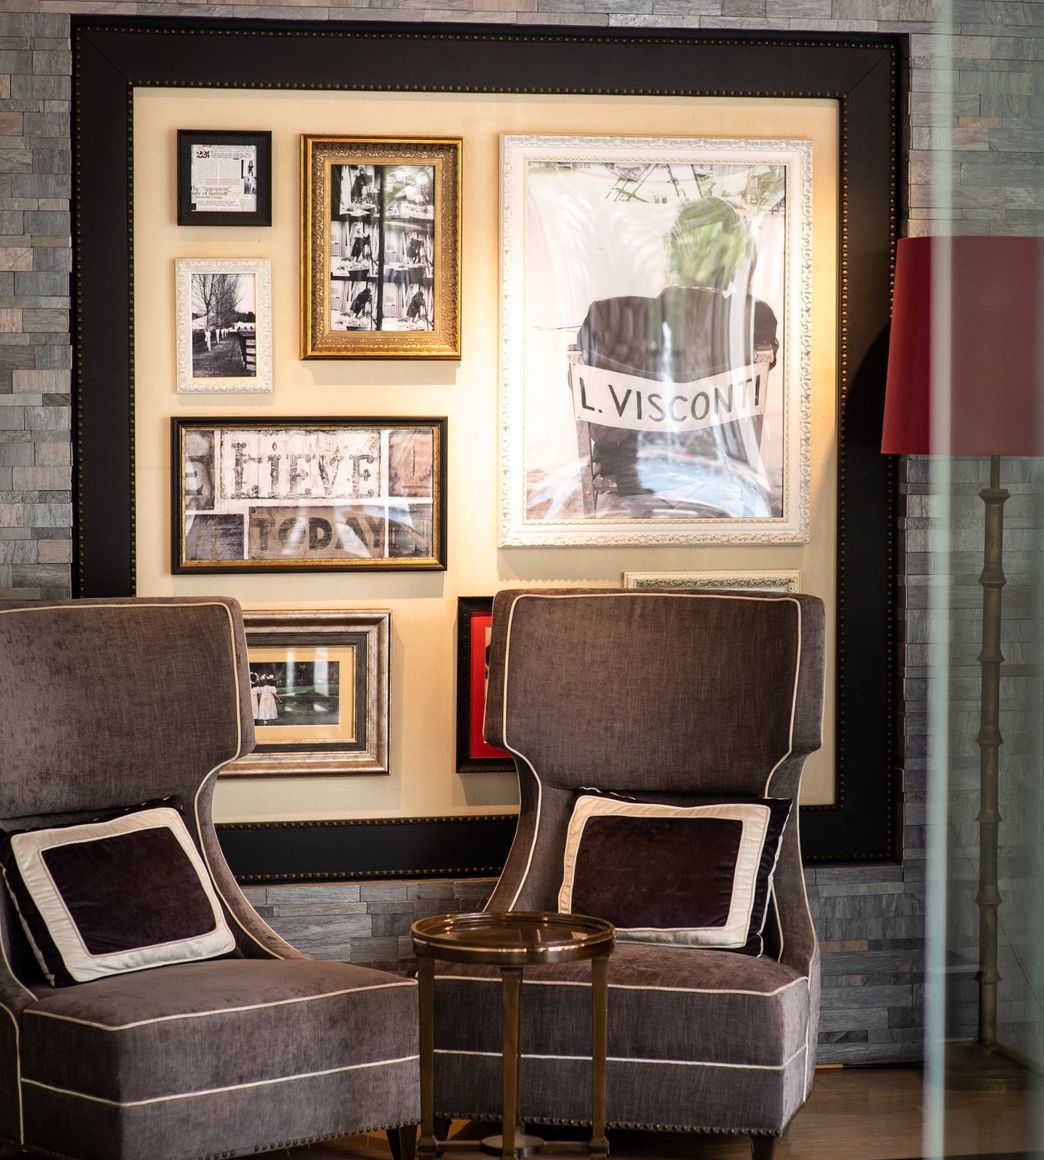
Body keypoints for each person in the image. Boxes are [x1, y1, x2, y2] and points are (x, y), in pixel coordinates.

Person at [573, 195, 778, 508]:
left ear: (670, 248)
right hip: (720, 476)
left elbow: (590, 408)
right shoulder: (754, 319)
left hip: (629, 478)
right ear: (733, 260)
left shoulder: (606, 318)